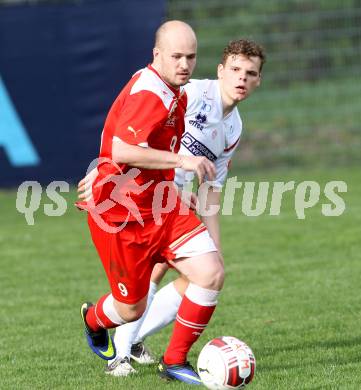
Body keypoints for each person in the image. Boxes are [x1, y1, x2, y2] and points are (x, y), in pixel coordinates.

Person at [78, 38, 266, 377]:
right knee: (150, 281)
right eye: (235, 69)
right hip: (142, 202)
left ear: (258, 81)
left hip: (171, 204)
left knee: (203, 272)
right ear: (220, 70)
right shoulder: (191, 94)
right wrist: (101, 171)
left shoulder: (233, 127)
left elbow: (211, 189)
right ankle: (120, 350)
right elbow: (129, 131)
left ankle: (142, 349)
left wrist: (215, 241)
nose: (242, 78)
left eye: (250, 73)